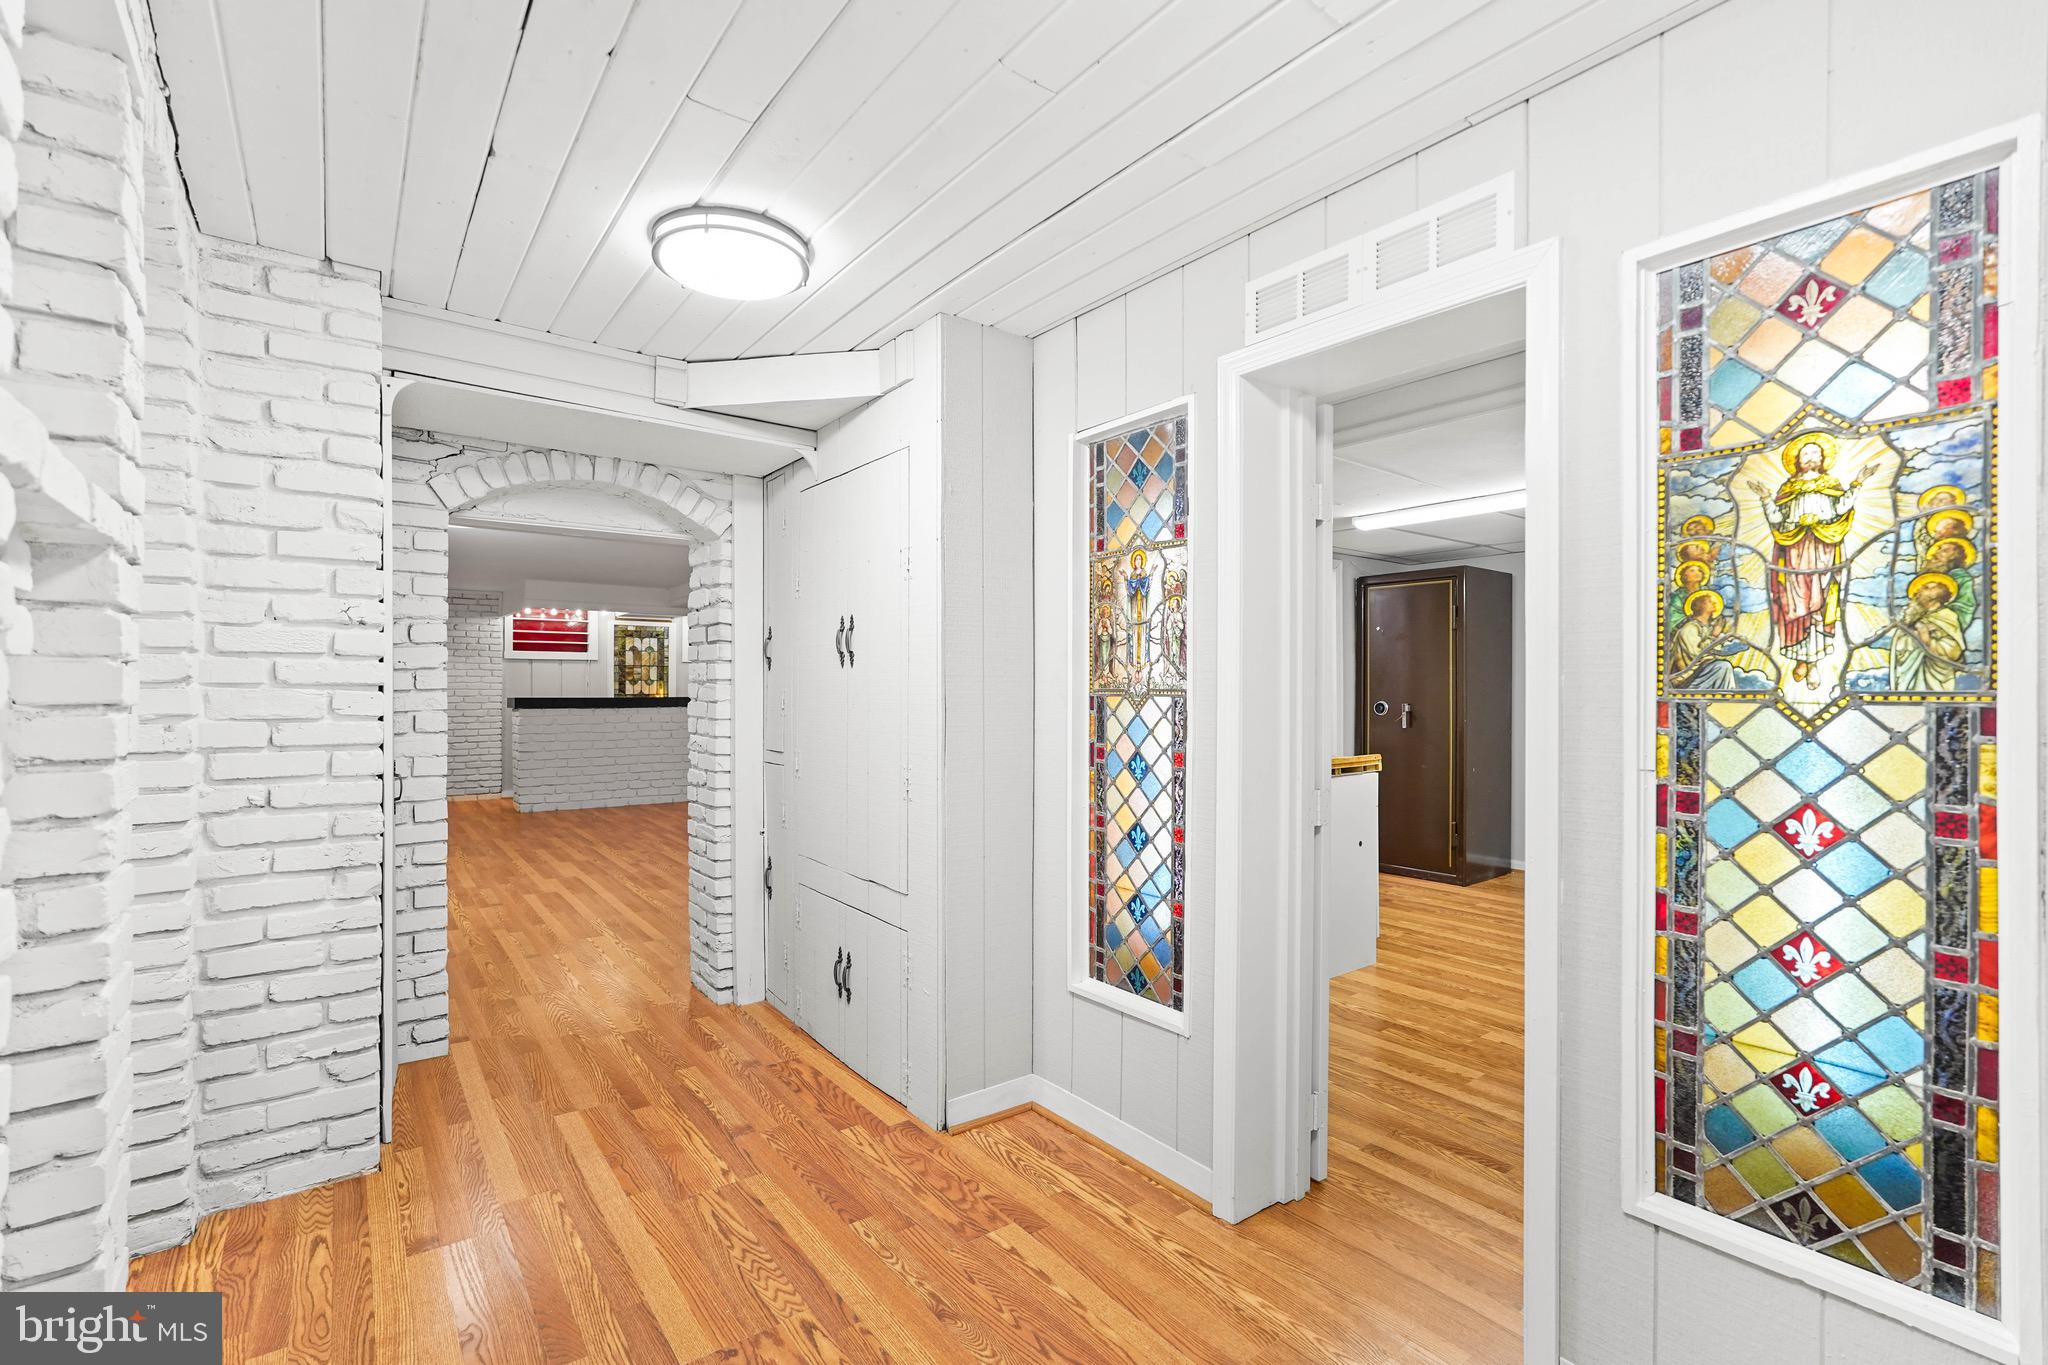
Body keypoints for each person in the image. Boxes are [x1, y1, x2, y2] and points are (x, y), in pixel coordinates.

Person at [1748, 434, 1873, 683]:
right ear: (1797, 459)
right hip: (1793, 550)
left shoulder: (1831, 484)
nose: (1811, 457)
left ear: (1823, 458)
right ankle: (1801, 659)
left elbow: (1841, 509)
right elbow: (1775, 519)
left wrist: (1858, 483)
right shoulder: (1788, 489)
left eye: (1816, 453)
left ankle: (1814, 663)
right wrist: (1765, 497)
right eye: (1806, 453)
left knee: (1821, 600)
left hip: (1823, 548)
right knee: (1795, 603)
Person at [1890, 572, 1966, 692]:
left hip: (1937, 674)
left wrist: (1928, 641)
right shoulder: (1913, 618)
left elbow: (1954, 651)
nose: (1918, 591)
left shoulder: (1947, 616)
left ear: (1939, 593)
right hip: (1910, 672)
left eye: (1926, 588)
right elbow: (1900, 646)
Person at [1669, 589, 1744, 690]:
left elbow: (1716, 649)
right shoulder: (1689, 628)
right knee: (1722, 666)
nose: (1714, 603)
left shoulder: (1708, 627)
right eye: (1709, 601)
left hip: (1704, 669)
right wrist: (1714, 636)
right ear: (1700, 605)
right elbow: (1696, 655)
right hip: (1688, 676)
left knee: (1723, 666)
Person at [1921, 535, 1979, 630]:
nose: (1936, 553)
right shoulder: (1932, 575)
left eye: (1945, 551)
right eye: (1939, 549)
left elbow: (1964, 608)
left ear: (1955, 557)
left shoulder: (1960, 577)